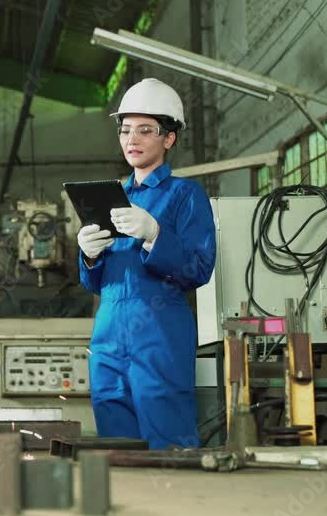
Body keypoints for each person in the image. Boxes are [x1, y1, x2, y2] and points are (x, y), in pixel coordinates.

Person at [77, 78, 216, 449]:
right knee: (116, 446)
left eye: (145, 130)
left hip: (159, 335)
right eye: (125, 130)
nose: (132, 139)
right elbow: (95, 283)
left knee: (167, 442)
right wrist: (88, 255)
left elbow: (199, 269)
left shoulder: (185, 194)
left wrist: (155, 234)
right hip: (108, 335)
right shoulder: (110, 197)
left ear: (169, 138)